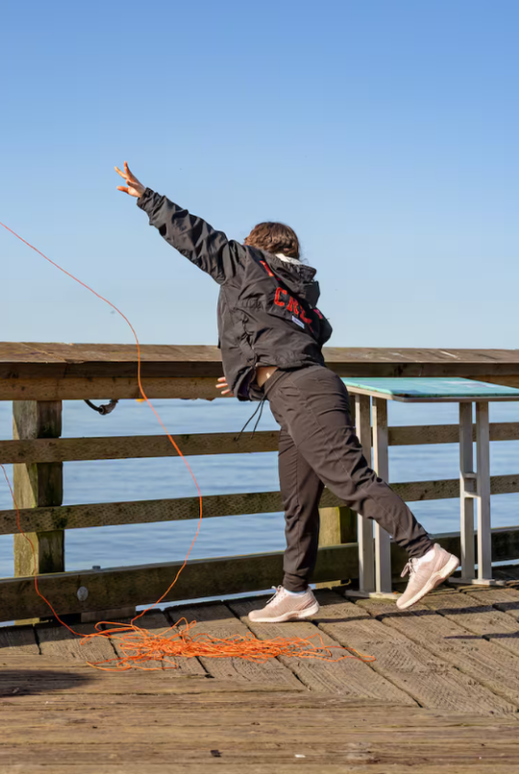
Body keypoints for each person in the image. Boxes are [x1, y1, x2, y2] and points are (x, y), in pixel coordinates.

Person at [115, 162, 458, 622]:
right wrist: (247, 373)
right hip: (299, 390)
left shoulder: (245, 264)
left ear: (254, 247)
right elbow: (282, 341)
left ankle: (424, 551)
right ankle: (297, 590)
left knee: (351, 479)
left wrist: (148, 198)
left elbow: (197, 238)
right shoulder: (295, 297)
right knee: (298, 499)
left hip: (302, 393)